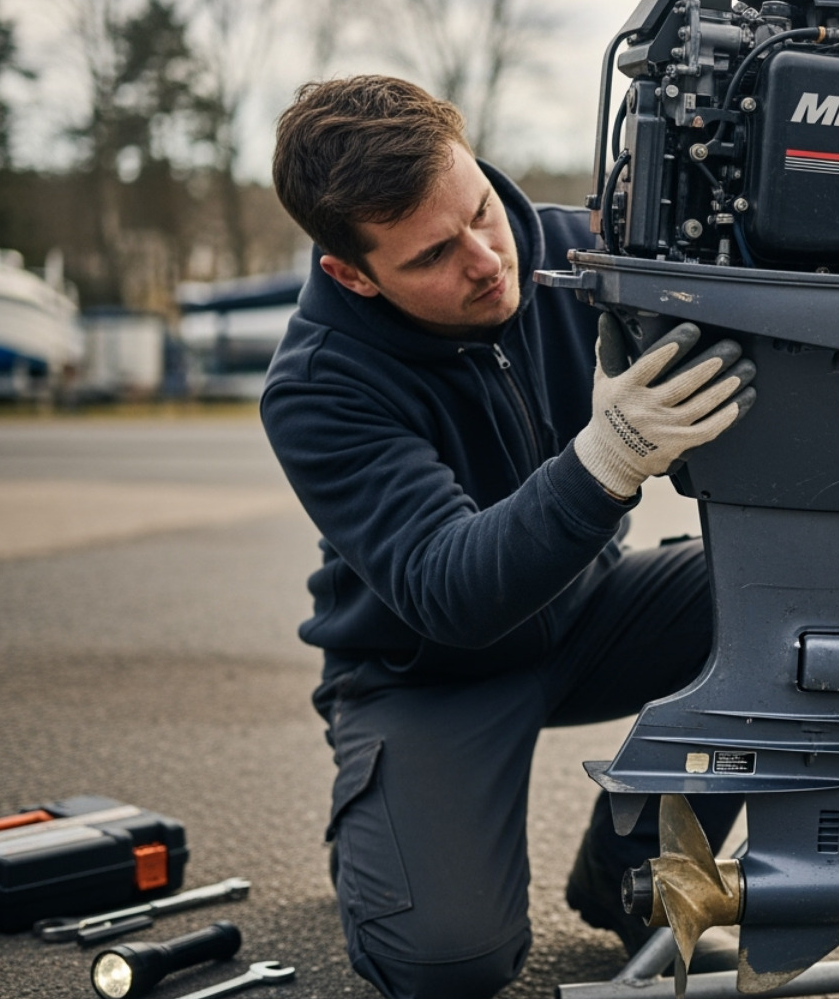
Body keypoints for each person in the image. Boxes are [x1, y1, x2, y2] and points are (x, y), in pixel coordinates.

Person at [262, 75, 755, 999]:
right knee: (447, 963)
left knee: (783, 605)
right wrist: (611, 456)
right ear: (353, 273)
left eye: (481, 209)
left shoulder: (586, 255)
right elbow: (454, 592)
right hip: (428, 672)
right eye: (432, 256)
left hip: (587, 615)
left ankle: (630, 877)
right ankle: (390, 850)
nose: (486, 259)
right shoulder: (318, 387)